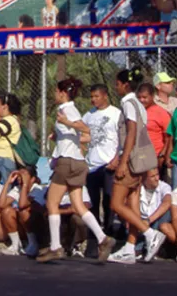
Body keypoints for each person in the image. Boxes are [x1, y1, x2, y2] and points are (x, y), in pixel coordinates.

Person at [38, 77, 114, 263]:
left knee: (51, 203)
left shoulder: (66, 109)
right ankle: (103, 238)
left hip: (67, 162)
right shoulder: (69, 109)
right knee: (78, 205)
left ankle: (56, 247)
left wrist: (67, 123)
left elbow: (84, 128)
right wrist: (59, 134)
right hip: (78, 162)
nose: (54, 95)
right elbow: (78, 135)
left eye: (56, 91)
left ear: (63, 93)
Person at [110, 67, 165, 264]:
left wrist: (122, 162)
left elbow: (131, 132)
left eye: (117, 84)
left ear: (125, 85)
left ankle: (150, 234)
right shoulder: (140, 105)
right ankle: (130, 248)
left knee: (116, 203)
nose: (115, 87)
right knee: (132, 203)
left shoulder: (128, 103)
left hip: (132, 160)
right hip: (142, 160)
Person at [109, 168, 172, 264]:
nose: (156, 178)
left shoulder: (164, 186)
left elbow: (167, 202)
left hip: (153, 220)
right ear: (144, 179)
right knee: (126, 214)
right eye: (152, 176)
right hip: (140, 221)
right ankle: (135, 248)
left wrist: (148, 220)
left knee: (166, 213)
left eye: (157, 175)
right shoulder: (137, 188)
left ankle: (149, 240)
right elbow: (125, 206)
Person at [83, 84, 121, 235]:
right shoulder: (89, 114)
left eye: (96, 96)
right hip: (91, 165)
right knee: (92, 202)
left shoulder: (116, 113)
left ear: (105, 96)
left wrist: (117, 158)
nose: (93, 100)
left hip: (108, 164)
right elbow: (81, 131)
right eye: (91, 96)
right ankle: (94, 236)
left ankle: (109, 233)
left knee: (109, 200)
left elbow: (121, 138)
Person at [137, 83, 172, 173]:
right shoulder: (137, 112)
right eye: (139, 97)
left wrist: (162, 155)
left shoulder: (161, 113)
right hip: (140, 157)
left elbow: (169, 137)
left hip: (156, 157)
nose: (142, 100)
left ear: (152, 96)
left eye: (145, 97)